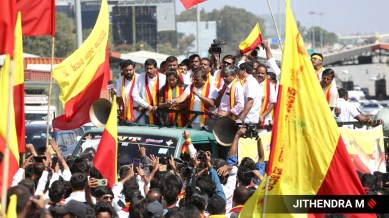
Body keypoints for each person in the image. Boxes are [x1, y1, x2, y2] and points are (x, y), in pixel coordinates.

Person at [132, 58, 166, 124]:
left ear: (156, 68)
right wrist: (146, 105)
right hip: (147, 111)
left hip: (161, 111)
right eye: (147, 69)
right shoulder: (140, 77)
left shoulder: (163, 78)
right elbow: (134, 94)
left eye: (151, 68)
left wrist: (159, 106)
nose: (148, 70)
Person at [255, 63, 276, 128]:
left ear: (266, 74)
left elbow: (272, 103)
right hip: (250, 116)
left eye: (262, 73)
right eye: (258, 73)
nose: (260, 75)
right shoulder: (251, 83)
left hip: (263, 118)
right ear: (255, 73)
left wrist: (263, 115)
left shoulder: (269, 86)